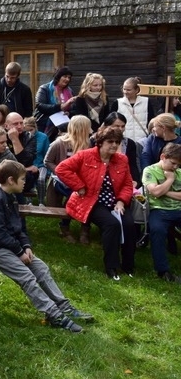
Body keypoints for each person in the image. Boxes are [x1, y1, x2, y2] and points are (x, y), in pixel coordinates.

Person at [0, 159, 93, 333]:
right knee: (26, 277)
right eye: (22, 179)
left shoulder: (11, 196)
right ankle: (54, 315)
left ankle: (64, 307)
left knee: (40, 268)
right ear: (11, 180)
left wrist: (26, 246)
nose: (25, 182)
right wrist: (19, 252)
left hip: (11, 245)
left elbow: (18, 226)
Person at [55, 126, 137, 280]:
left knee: (129, 224)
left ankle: (128, 266)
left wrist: (121, 201)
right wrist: (79, 186)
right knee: (111, 224)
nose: (114, 145)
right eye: (110, 141)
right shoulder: (85, 155)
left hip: (114, 201)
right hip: (90, 201)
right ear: (100, 142)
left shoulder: (122, 159)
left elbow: (127, 184)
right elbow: (62, 169)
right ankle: (111, 267)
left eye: (117, 142)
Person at [45, 115, 93, 243]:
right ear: (82, 128)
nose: (91, 130)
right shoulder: (59, 143)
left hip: (82, 180)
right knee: (75, 195)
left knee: (88, 195)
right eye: (88, 127)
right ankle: (65, 226)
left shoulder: (89, 144)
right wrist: (61, 172)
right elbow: (47, 161)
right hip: (60, 180)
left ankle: (85, 228)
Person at [142, 142, 181, 283]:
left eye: (178, 165)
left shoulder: (180, 172)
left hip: (178, 208)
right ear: (163, 157)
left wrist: (164, 192)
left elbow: (160, 192)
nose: (175, 167)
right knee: (157, 230)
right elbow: (155, 192)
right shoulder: (150, 171)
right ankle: (163, 271)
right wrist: (170, 180)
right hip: (159, 210)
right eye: (173, 163)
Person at [35, 66, 75, 137]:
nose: (67, 79)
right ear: (58, 76)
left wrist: (69, 113)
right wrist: (60, 107)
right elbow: (40, 105)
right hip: (45, 124)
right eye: (65, 76)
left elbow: (73, 108)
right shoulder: (45, 88)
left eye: (69, 77)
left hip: (64, 126)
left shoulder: (70, 91)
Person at [4, 112, 38, 195]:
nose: (19, 126)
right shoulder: (1, 137)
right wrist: (26, 168)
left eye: (21, 123)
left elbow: (25, 161)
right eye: (15, 124)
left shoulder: (29, 137)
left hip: (24, 177)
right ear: (6, 126)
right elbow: (1, 163)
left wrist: (15, 139)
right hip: (5, 175)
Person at [23, 116, 49, 205]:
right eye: (27, 131)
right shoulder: (23, 137)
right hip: (28, 165)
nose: (29, 132)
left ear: (35, 127)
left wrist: (48, 170)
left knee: (41, 179)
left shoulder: (43, 137)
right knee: (26, 179)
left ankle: (41, 201)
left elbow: (47, 154)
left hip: (41, 164)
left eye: (31, 130)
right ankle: (28, 201)